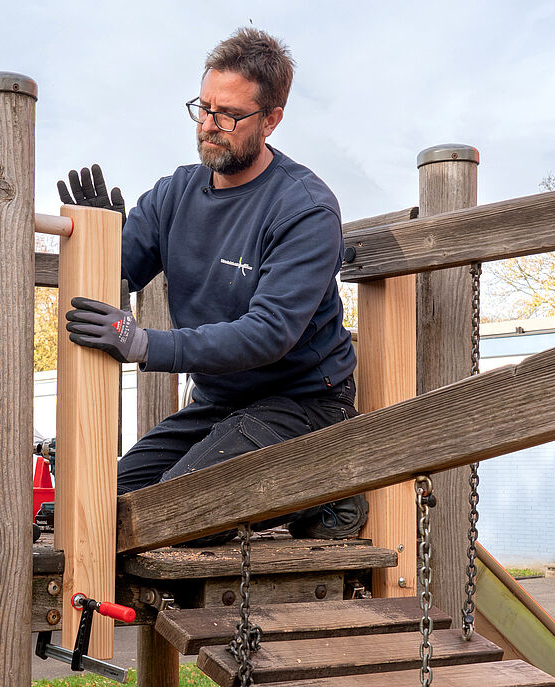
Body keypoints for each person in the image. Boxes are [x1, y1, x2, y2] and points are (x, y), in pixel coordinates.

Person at [60, 27, 366, 544]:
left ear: (271, 119)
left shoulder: (304, 209)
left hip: (302, 406)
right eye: (203, 108)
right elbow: (112, 279)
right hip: (218, 404)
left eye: (228, 115)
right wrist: (97, 243)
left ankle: (326, 491)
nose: (208, 125)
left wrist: (143, 343)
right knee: (95, 502)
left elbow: (269, 332)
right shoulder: (175, 194)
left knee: (172, 517)